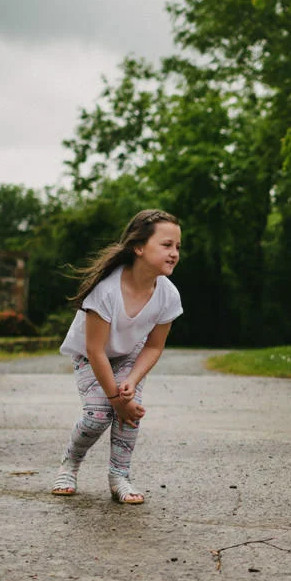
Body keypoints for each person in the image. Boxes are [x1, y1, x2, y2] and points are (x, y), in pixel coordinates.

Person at [51, 209, 183, 504]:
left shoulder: (169, 295)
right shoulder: (106, 290)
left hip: (130, 355)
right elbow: (96, 349)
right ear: (138, 247)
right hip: (90, 355)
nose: (174, 253)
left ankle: (119, 476)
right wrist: (114, 398)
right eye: (166, 245)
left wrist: (131, 384)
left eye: (177, 246)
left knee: (130, 410)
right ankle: (69, 464)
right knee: (99, 415)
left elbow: (153, 346)